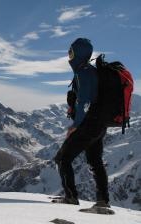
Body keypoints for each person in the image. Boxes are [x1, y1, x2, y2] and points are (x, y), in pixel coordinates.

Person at [53, 38, 110, 207]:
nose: (69, 56)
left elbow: (85, 102)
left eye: (71, 52)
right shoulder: (91, 71)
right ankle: (103, 201)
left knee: (63, 158)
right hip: (99, 123)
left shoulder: (83, 72)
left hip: (88, 124)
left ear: (79, 53)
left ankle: (71, 197)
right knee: (95, 161)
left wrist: (75, 125)